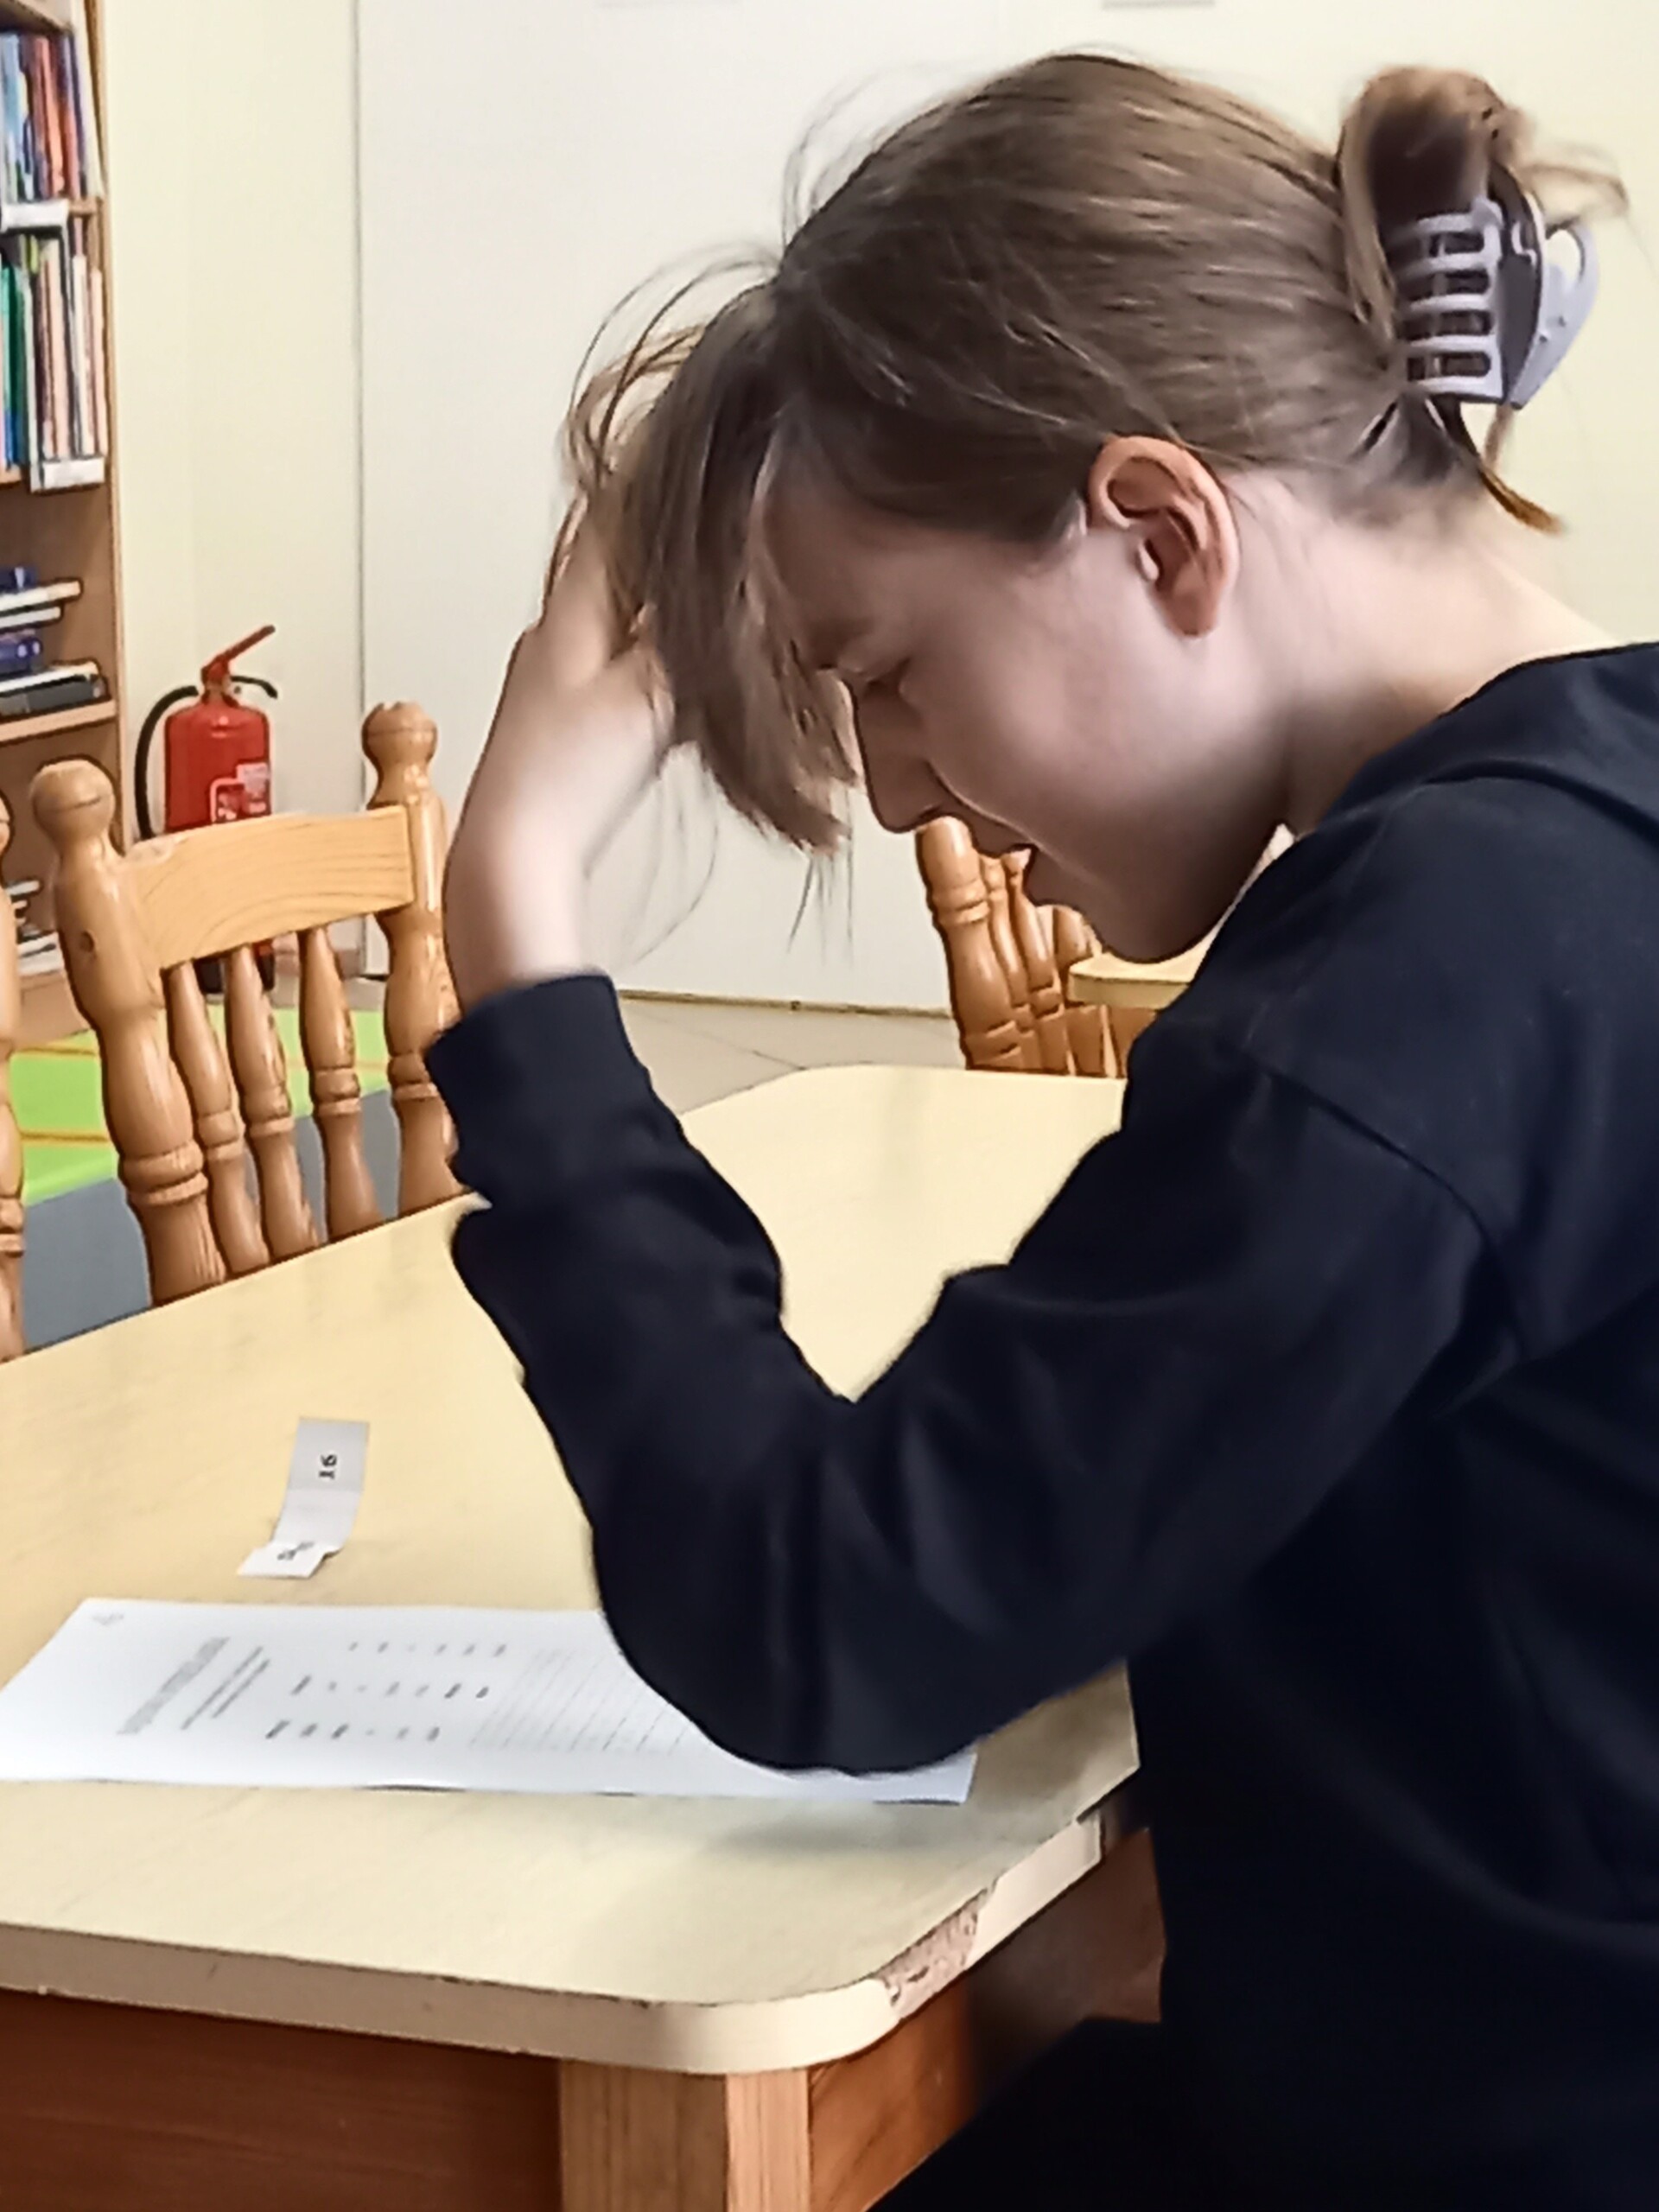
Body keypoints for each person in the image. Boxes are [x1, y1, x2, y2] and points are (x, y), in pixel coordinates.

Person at [424, 51, 1659, 2210]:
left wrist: (518, 908)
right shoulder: (1582, 833)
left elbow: (824, 1618)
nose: (901, 782)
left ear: (1159, 529)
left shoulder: (1412, 995)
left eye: (890, 667)